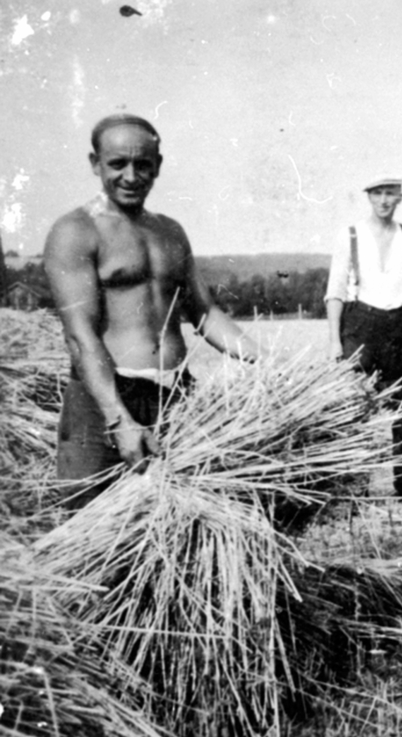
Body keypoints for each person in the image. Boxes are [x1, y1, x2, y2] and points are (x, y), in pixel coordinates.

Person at [44, 114, 260, 508]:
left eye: (143, 164)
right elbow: (81, 336)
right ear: (95, 164)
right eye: (117, 164)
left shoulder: (170, 231)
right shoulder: (76, 231)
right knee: (94, 532)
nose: (131, 175)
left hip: (175, 398)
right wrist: (118, 419)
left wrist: (264, 360)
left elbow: (204, 313)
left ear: (157, 165)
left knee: (184, 524)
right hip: (106, 401)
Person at [325, 176, 402, 497]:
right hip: (360, 326)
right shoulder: (349, 235)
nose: (383, 201)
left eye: (390, 195)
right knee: (353, 405)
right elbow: (335, 290)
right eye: (377, 194)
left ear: (400, 198)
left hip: (401, 328)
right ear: (368, 197)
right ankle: (353, 486)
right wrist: (335, 341)